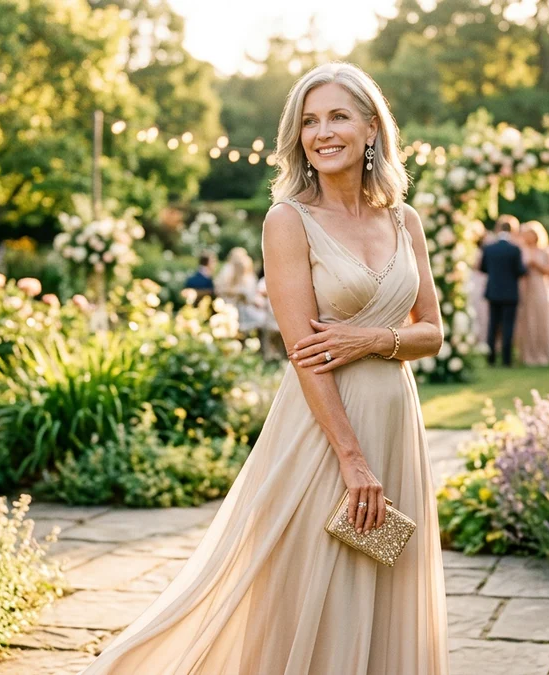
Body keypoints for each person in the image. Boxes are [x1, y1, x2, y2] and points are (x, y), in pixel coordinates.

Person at [79, 62, 449, 675]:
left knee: (385, 577)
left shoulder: (403, 220)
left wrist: (370, 339)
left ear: (370, 129)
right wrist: (352, 461)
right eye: (308, 121)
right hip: (326, 431)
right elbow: (305, 353)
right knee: (311, 583)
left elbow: (432, 332)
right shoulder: (288, 220)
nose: (321, 132)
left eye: (337, 116)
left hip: (396, 423)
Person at [478, 214, 527, 367]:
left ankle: (491, 357)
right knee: (508, 326)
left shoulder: (489, 248)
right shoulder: (514, 249)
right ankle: (506, 359)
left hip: (493, 291)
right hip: (510, 293)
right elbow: (520, 270)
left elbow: (482, 268)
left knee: (492, 325)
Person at [513, 220, 549, 366]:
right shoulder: (520, 250)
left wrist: (537, 265)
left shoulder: (546, 250)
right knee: (525, 320)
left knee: (539, 319)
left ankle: (541, 353)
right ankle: (526, 354)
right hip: (524, 286)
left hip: (539, 286)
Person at [215, 246, 267, 334]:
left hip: (244, 309)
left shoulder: (248, 278)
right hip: (234, 308)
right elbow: (221, 290)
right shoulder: (229, 273)